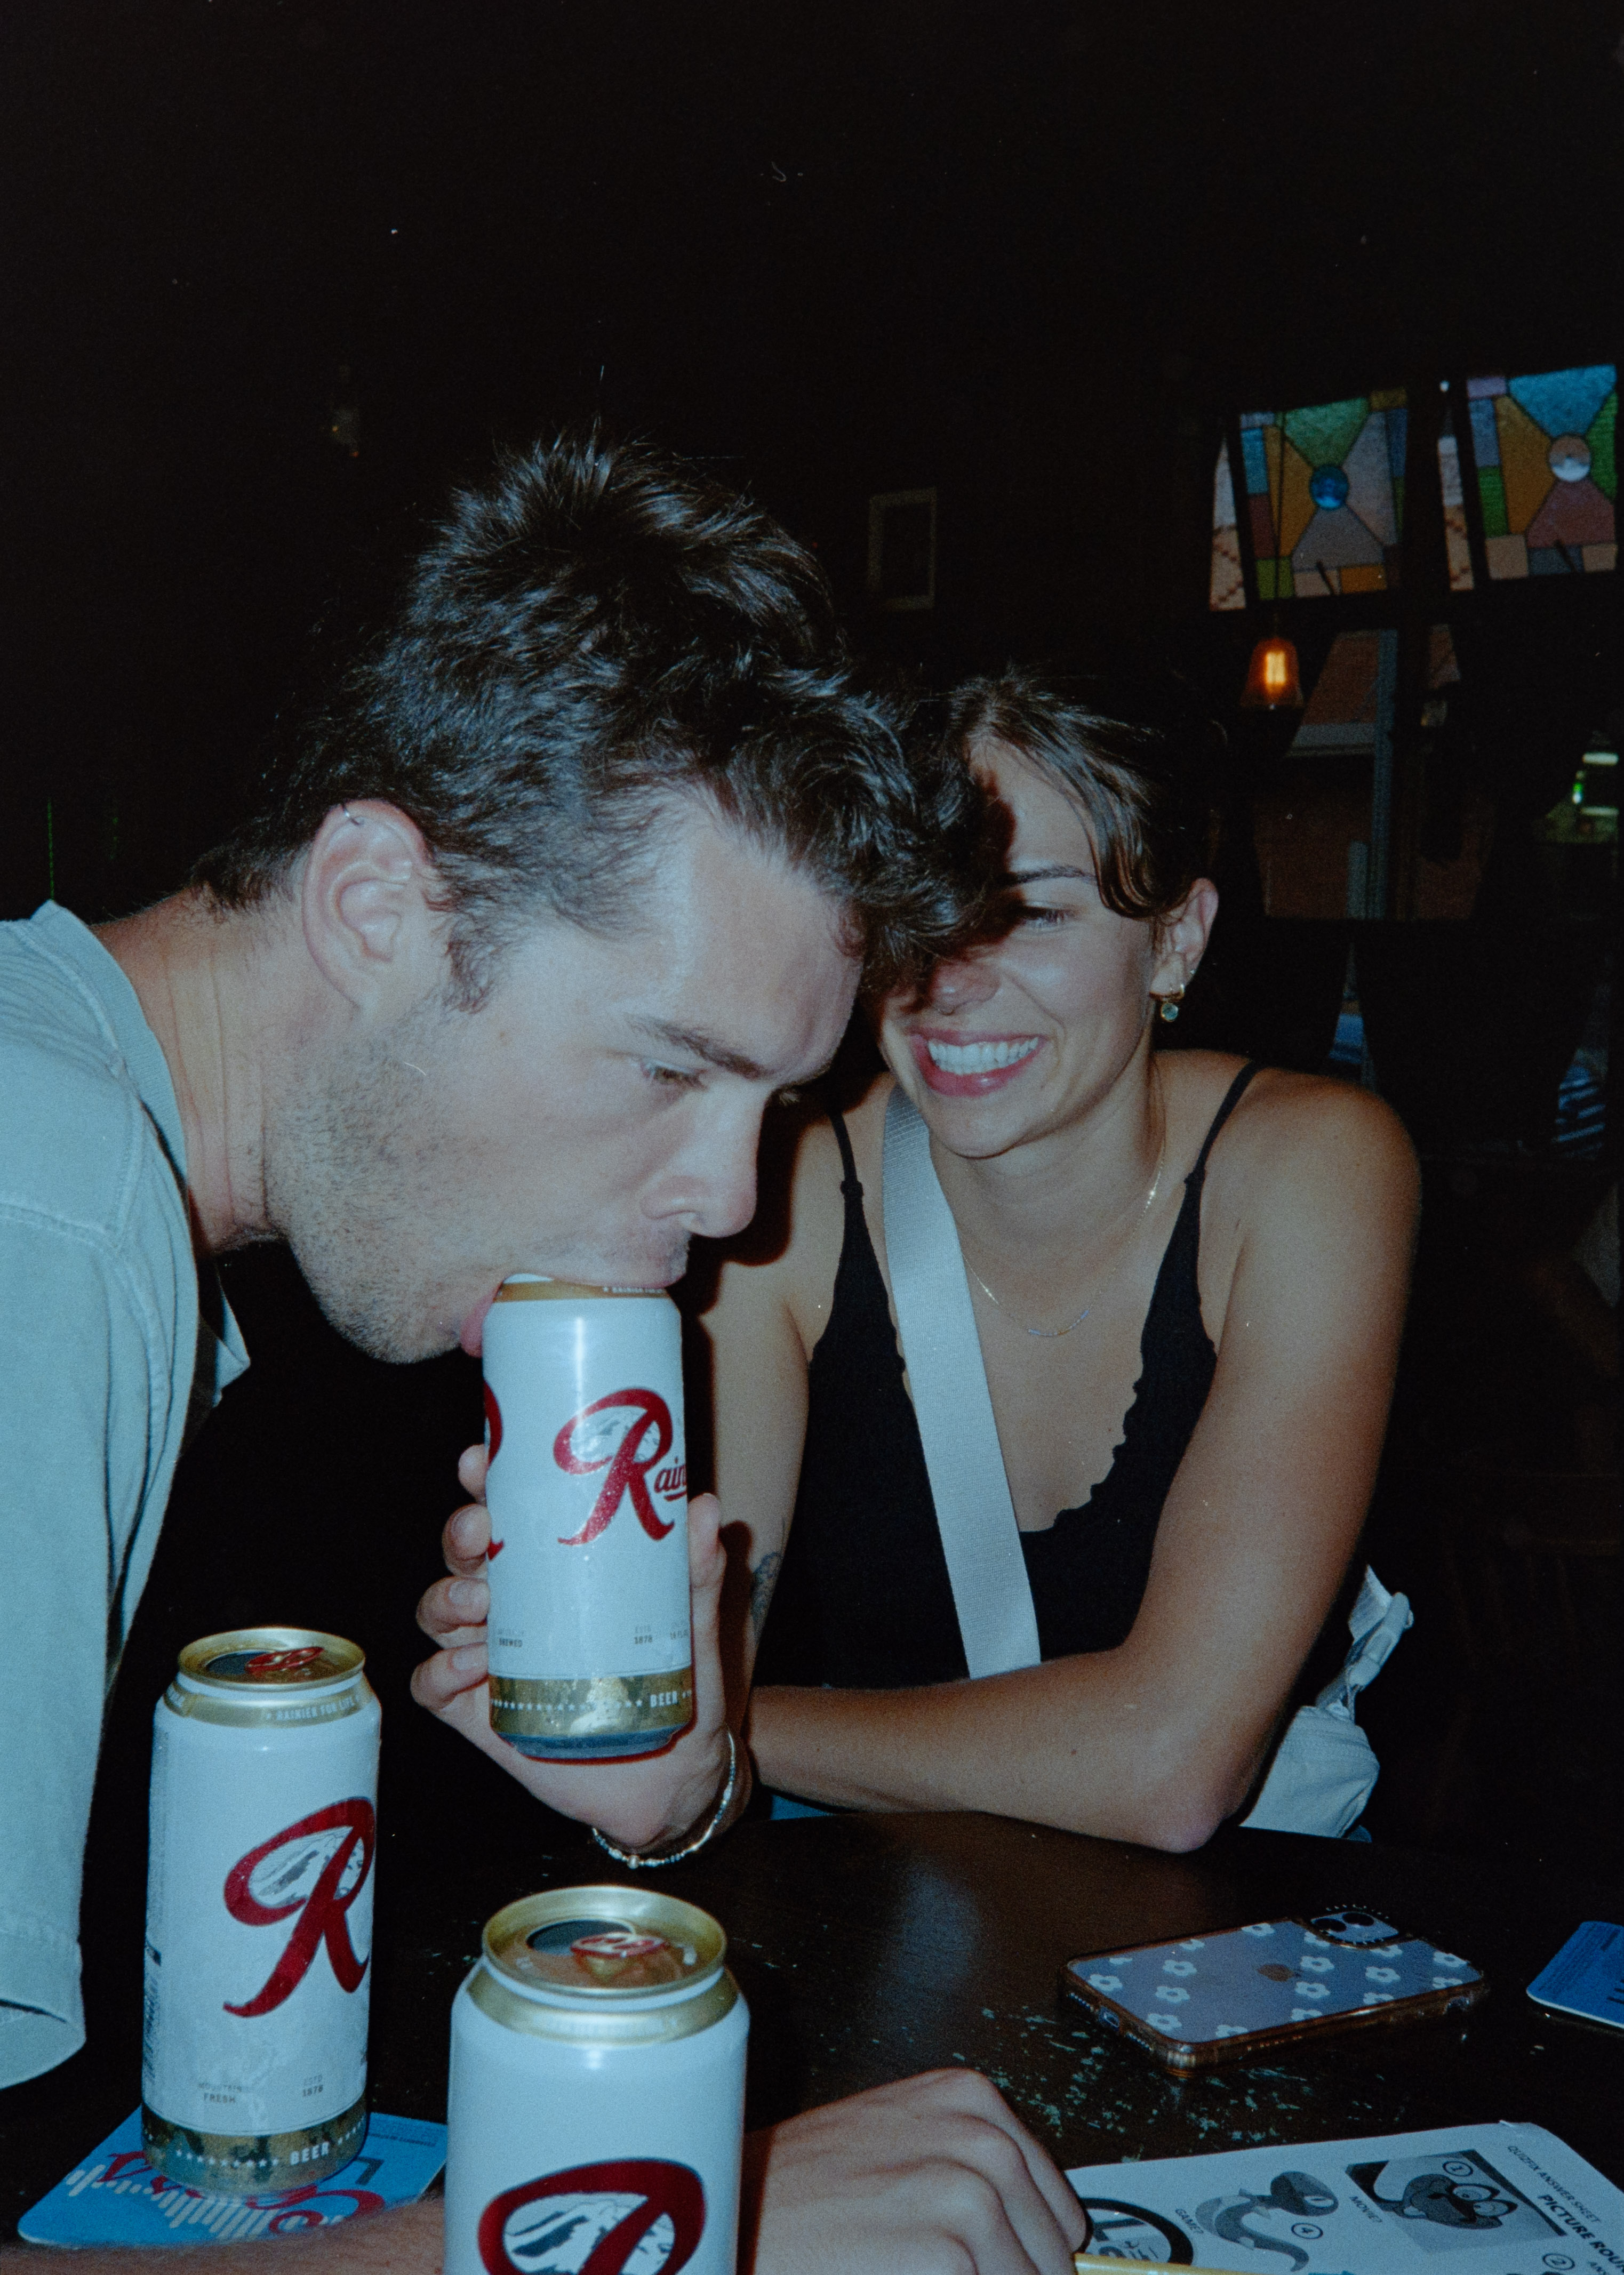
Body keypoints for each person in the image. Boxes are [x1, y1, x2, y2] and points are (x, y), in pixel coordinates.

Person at [0, 435, 1083, 2273]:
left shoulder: (89, 1161)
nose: (728, 1203)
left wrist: (673, 1779)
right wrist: (663, 2223)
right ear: (375, 907)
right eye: (665, 1065)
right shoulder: (48, 1207)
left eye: (770, 1106)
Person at [684, 672, 1417, 1844]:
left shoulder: (1309, 1166)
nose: (947, 981)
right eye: (916, 909)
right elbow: (676, 1689)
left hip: (1225, 1917)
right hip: (882, 1900)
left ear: (1174, 939)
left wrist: (722, 1738)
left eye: (1032, 913)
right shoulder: (780, 1199)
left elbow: (1175, 1768)